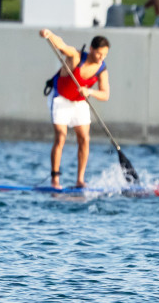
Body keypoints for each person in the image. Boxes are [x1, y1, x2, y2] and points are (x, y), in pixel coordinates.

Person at [39, 29, 111, 189]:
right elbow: (62, 47)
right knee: (61, 136)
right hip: (60, 99)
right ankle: (55, 180)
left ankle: (80, 180)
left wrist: (90, 91)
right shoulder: (76, 56)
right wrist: (49, 35)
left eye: (105, 55)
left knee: (84, 139)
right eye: (99, 54)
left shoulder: (101, 69)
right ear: (91, 49)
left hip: (79, 103)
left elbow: (105, 94)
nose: (102, 58)